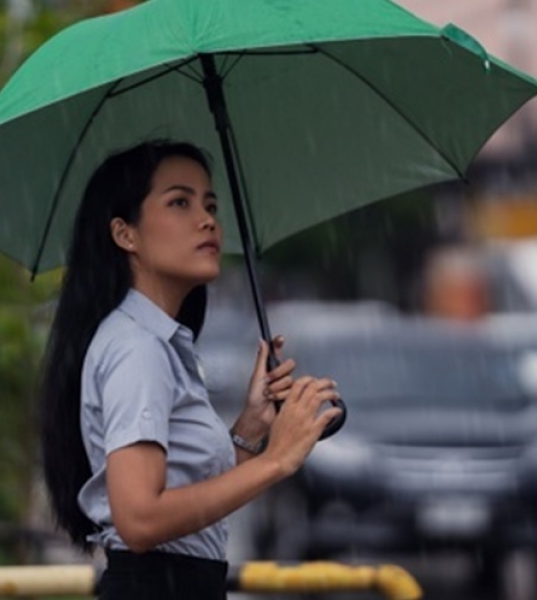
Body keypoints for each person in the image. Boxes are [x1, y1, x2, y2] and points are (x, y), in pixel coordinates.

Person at [39, 140, 342, 600]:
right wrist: (277, 460)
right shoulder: (135, 347)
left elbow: (181, 495)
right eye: (179, 202)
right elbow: (140, 520)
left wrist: (249, 428)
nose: (207, 221)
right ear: (126, 234)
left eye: (211, 204)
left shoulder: (159, 342)